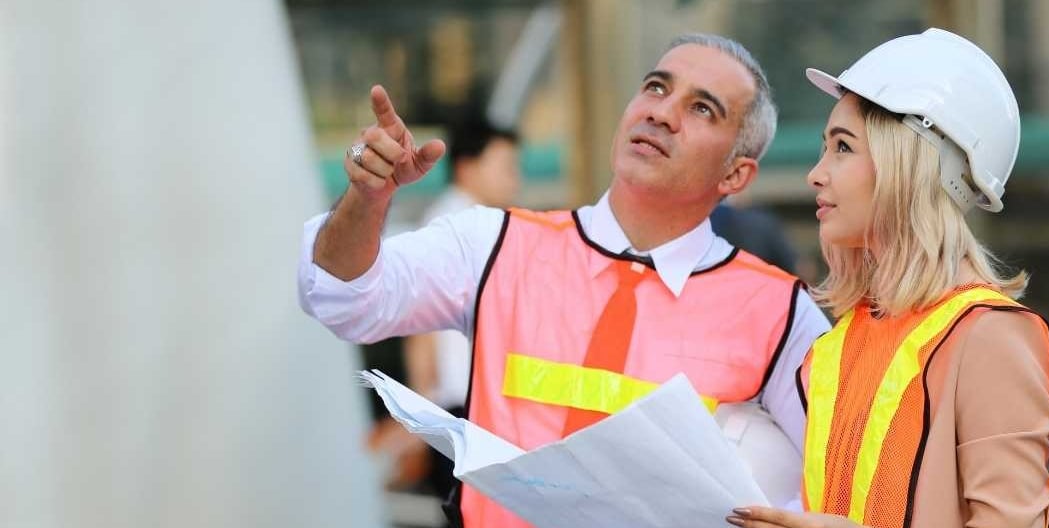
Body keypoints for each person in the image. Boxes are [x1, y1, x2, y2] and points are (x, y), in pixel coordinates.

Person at [298, 33, 830, 528]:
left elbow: (843, 481)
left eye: (700, 108)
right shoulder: (497, 242)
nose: (661, 113)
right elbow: (342, 297)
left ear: (736, 174)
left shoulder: (779, 311)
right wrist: (367, 202)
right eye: (655, 87)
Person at [727, 29, 1049, 528]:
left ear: (911, 164)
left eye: (843, 147)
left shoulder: (989, 337)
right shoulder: (840, 345)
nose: (816, 174)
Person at [361, 109, 520, 499]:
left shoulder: (477, 223)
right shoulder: (457, 228)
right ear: (467, 167)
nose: (514, 179)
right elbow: (421, 328)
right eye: (505, 166)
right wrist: (424, 417)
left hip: (467, 412)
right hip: (459, 413)